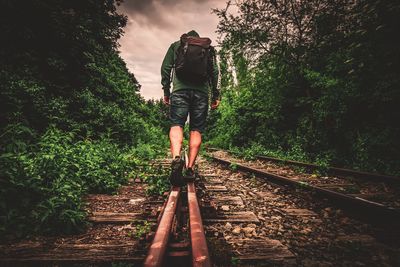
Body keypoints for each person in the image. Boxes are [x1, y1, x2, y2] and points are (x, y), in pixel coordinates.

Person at [161, 30, 220, 186]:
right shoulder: (208, 49)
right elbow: (214, 72)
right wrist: (215, 95)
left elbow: (165, 69)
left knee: (176, 125)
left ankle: (175, 159)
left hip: (179, 91)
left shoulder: (176, 45)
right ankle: (189, 168)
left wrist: (167, 91)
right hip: (201, 94)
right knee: (196, 130)